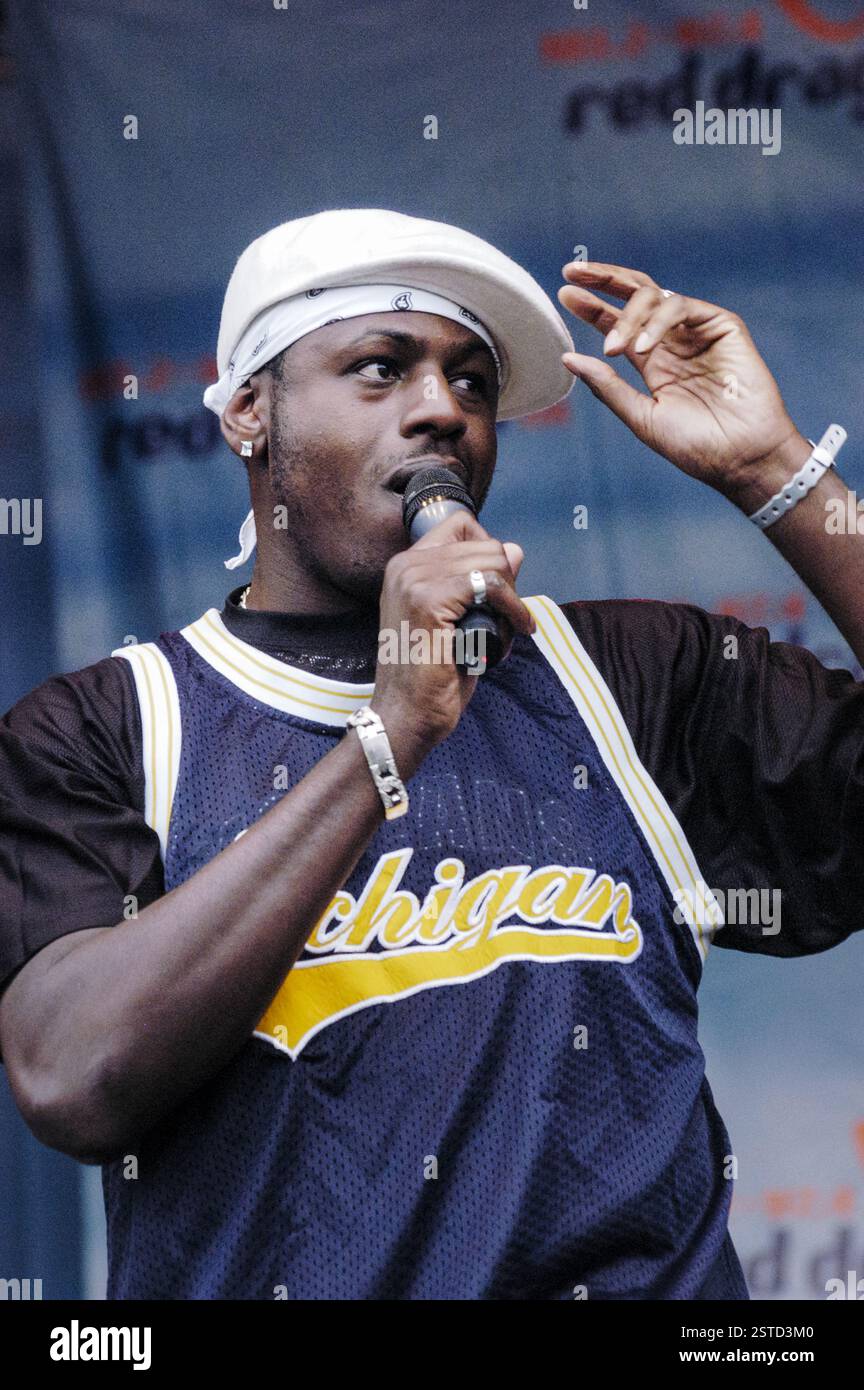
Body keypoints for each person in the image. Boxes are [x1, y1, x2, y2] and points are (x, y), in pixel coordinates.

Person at [1, 208, 862, 1301]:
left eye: (471, 383)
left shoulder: (627, 675)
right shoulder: (109, 731)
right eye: (379, 368)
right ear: (249, 411)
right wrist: (390, 734)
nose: (440, 411)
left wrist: (776, 474)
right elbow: (74, 1076)